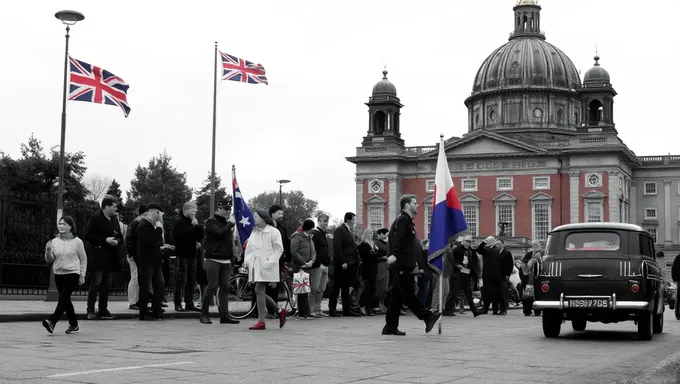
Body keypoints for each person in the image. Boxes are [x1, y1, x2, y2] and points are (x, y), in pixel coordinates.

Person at [383, 195, 442, 336]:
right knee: (408, 293)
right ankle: (426, 316)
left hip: (404, 263)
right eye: (415, 203)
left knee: (396, 296)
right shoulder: (403, 220)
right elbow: (398, 239)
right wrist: (395, 254)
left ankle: (390, 327)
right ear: (407, 205)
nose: (418, 205)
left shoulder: (406, 221)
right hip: (401, 264)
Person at [42, 216, 87, 334]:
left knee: (64, 296)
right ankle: (74, 324)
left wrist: (82, 275)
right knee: (65, 299)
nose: (61, 226)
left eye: (64, 224)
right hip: (58, 273)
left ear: (70, 226)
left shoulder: (78, 242)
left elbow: (83, 259)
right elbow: (50, 260)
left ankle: (52, 321)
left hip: (73, 273)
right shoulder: (54, 241)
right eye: (60, 224)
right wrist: (47, 251)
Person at [244, 209, 288, 330]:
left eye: (256, 216)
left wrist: (270, 262)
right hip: (256, 265)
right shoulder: (254, 232)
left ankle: (262, 320)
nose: (254, 219)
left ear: (263, 218)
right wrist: (247, 261)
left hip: (267, 265)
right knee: (259, 291)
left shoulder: (273, 231)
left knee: (259, 290)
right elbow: (250, 248)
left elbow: (279, 249)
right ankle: (279, 311)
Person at [200, 198, 239, 325]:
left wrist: (233, 256)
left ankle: (224, 314)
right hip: (213, 258)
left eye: (230, 209)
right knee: (212, 286)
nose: (228, 211)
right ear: (219, 208)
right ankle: (204, 314)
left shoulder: (227, 222)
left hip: (225, 259)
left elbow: (228, 242)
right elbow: (219, 233)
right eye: (226, 209)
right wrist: (230, 224)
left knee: (226, 287)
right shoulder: (212, 221)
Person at [84, 195, 123, 320]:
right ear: (106, 206)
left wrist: (117, 242)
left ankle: (103, 309)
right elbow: (88, 235)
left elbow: (120, 236)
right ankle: (90, 310)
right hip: (98, 256)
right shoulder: (96, 218)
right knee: (96, 283)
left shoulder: (114, 220)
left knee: (106, 284)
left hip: (110, 256)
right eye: (114, 206)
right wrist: (104, 240)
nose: (115, 209)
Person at [172, 201, 204, 312]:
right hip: (182, 254)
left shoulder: (193, 221)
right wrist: (193, 228)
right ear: (186, 210)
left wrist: (197, 226)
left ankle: (189, 302)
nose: (195, 212)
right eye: (193, 209)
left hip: (192, 254)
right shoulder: (178, 221)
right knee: (181, 279)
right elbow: (181, 236)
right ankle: (177, 303)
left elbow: (201, 235)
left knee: (191, 279)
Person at [136, 202, 167, 321]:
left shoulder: (152, 226)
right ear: (151, 212)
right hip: (146, 261)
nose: (160, 216)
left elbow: (157, 241)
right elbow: (151, 240)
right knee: (145, 286)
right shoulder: (143, 225)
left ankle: (156, 309)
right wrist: (159, 227)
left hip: (155, 261)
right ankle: (143, 312)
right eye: (158, 213)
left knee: (160, 285)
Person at [328, 212, 361, 317]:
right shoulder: (340, 230)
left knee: (346, 287)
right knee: (336, 286)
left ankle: (346, 309)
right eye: (354, 220)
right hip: (342, 263)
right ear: (348, 219)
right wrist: (342, 261)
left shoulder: (349, 231)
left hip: (351, 262)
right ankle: (332, 309)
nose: (355, 222)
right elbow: (337, 247)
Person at [291, 219, 317, 319]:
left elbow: (313, 251)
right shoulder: (297, 237)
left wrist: (311, 261)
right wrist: (304, 262)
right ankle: (302, 312)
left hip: (308, 266)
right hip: (300, 267)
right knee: (301, 290)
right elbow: (294, 251)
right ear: (308, 229)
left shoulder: (310, 237)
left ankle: (307, 311)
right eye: (311, 229)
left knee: (306, 289)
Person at [125, 204, 148, 310]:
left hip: (135, 254)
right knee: (135, 277)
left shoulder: (136, 223)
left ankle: (135, 300)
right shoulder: (136, 223)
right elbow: (129, 240)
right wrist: (132, 254)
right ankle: (133, 301)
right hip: (134, 255)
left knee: (137, 277)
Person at [476, 236, 506, 315]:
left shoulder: (492, 250)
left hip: (491, 275)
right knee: (493, 293)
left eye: (487, 241)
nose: (486, 243)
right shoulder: (493, 250)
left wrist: (483, 243)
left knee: (494, 293)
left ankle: (494, 309)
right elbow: (479, 250)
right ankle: (495, 309)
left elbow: (479, 250)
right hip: (492, 275)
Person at [310, 214, 332, 317]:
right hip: (318, 265)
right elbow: (313, 249)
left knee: (322, 288)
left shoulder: (324, 234)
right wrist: (317, 261)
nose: (326, 223)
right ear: (318, 221)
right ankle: (311, 309)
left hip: (325, 264)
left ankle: (317, 309)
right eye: (324, 221)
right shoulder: (315, 233)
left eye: (327, 221)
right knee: (314, 288)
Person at [357, 228, 379, 316]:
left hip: (374, 268)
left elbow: (375, 254)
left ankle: (369, 307)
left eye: (372, 233)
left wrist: (374, 253)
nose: (371, 234)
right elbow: (366, 255)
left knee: (373, 289)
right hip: (367, 268)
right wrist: (374, 253)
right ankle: (362, 306)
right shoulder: (364, 244)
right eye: (369, 233)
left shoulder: (374, 244)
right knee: (367, 288)